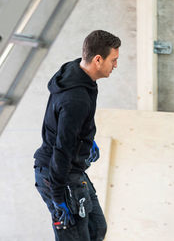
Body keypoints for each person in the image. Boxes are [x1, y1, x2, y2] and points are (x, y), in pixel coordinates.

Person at [33, 30, 121, 241]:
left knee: (96, 228)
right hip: (57, 173)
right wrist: (57, 196)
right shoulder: (76, 98)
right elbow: (62, 149)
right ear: (98, 60)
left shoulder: (76, 72)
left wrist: (86, 141)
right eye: (114, 60)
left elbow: (68, 125)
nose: (116, 65)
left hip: (72, 169)